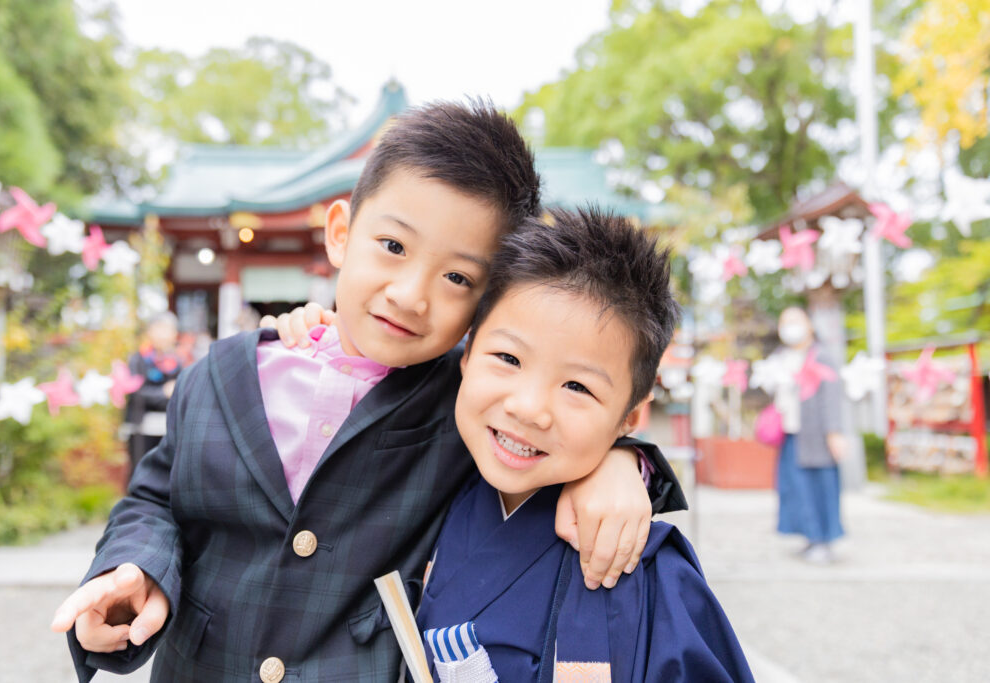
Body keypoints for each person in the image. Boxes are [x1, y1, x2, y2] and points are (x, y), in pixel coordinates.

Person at [50, 100, 681, 682]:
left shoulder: (461, 403)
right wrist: (134, 567)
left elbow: (556, 420)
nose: (410, 294)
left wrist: (625, 465)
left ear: (486, 304)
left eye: (458, 276)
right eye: (392, 246)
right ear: (340, 234)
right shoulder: (220, 374)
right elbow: (157, 498)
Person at [414, 207, 752, 682]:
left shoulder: (647, 569)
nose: (530, 408)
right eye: (508, 357)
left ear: (630, 416)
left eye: (577, 387)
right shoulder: (415, 489)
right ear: (466, 352)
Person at [772, 306, 846, 564]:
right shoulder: (781, 357)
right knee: (797, 489)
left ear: (810, 325)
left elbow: (832, 397)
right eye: (785, 321)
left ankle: (822, 541)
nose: (789, 326)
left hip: (817, 435)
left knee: (820, 486)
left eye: (795, 321)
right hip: (791, 434)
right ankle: (809, 536)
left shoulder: (821, 356)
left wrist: (834, 432)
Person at [122, 312, 182, 481]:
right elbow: (134, 392)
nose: (164, 334)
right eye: (160, 328)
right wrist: (163, 392)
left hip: (167, 428)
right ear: (150, 331)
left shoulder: (177, 361)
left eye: (169, 329)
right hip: (141, 427)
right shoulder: (137, 359)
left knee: (165, 475)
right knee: (140, 473)